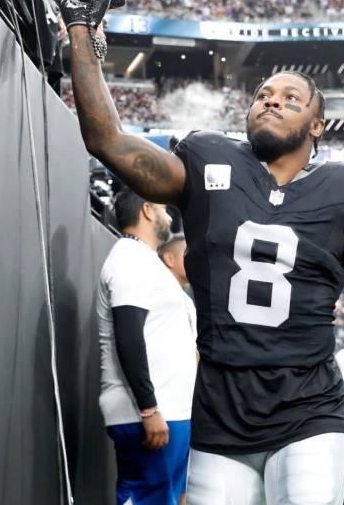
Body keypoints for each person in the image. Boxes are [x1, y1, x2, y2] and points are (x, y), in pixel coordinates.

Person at [61, 0, 344, 502]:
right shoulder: (207, 162)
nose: (271, 101)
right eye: (263, 94)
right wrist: (81, 30)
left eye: (291, 98)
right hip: (219, 415)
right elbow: (107, 140)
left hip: (307, 411)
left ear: (317, 125)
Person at [97, 190, 198, 504]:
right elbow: (128, 334)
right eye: (163, 208)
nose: (168, 215)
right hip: (148, 412)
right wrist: (149, 408)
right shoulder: (129, 259)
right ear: (147, 211)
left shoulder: (145, 261)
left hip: (170, 409)